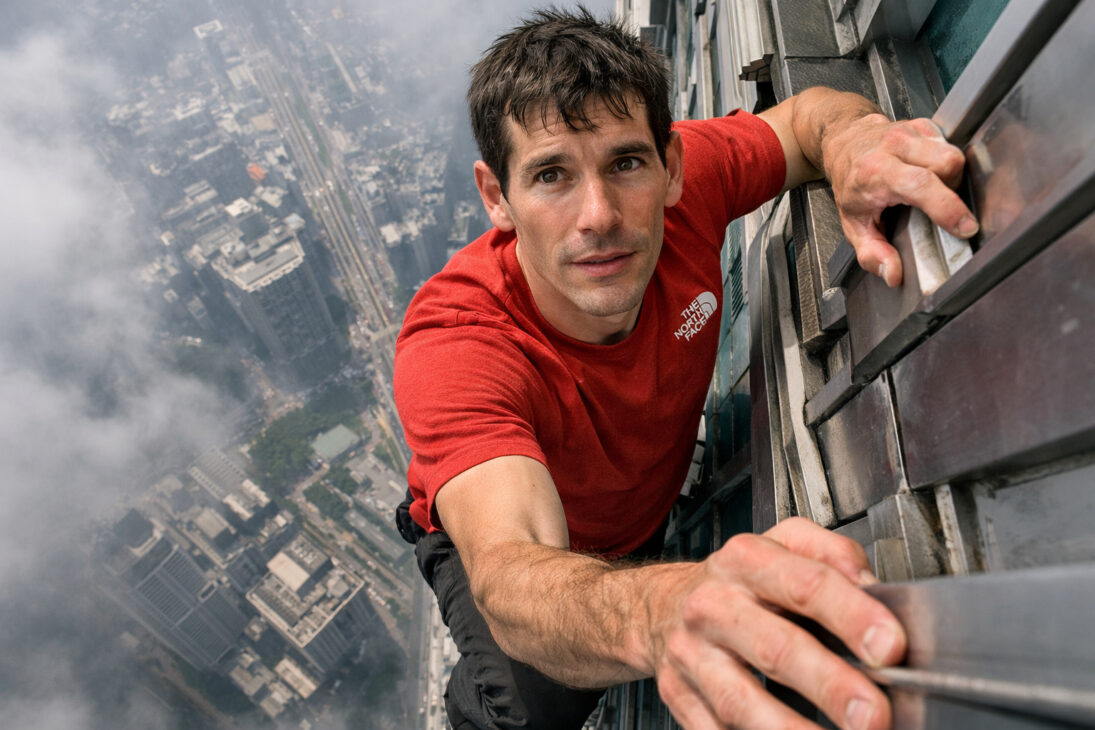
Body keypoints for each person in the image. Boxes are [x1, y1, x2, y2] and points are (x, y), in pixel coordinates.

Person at [394, 8, 976, 730]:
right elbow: (511, 575)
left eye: (625, 163)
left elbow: (808, 119)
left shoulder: (688, 186)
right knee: (521, 712)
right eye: (550, 176)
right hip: (518, 535)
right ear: (495, 198)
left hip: (639, 502)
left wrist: (853, 141)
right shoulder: (459, 341)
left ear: (669, 167)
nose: (598, 214)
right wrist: (665, 610)